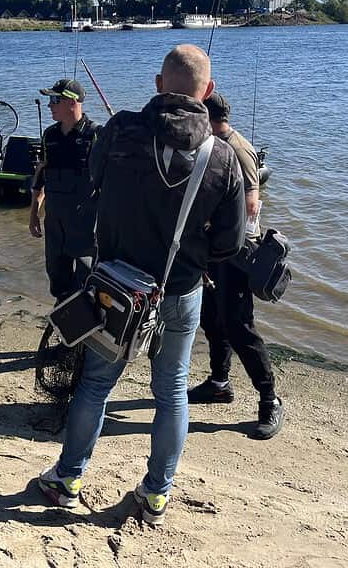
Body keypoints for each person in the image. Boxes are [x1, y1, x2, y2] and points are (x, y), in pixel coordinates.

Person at [38, 44, 246, 525]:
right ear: (207, 91)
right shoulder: (223, 157)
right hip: (179, 288)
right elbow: (230, 244)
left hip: (116, 284)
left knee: (96, 383)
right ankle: (156, 493)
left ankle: (68, 477)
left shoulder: (119, 129)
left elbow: (93, 184)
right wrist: (194, 257)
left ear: (157, 84)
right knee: (171, 388)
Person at [188, 92, 284, 439]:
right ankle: (219, 383)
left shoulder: (237, 149)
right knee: (211, 319)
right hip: (214, 253)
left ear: (208, 118)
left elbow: (252, 205)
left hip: (238, 254)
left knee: (240, 327)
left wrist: (220, 230)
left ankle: (270, 401)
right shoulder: (213, 145)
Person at [29, 78, 100, 303]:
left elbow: (109, 184)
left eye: (54, 100)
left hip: (85, 229)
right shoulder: (50, 136)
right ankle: (62, 332)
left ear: (72, 102)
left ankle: (85, 335)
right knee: (58, 284)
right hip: (55, 228)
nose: (50, 105)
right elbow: (42, 178)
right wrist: (33, 214)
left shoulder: (96, 135)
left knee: (86, 288)